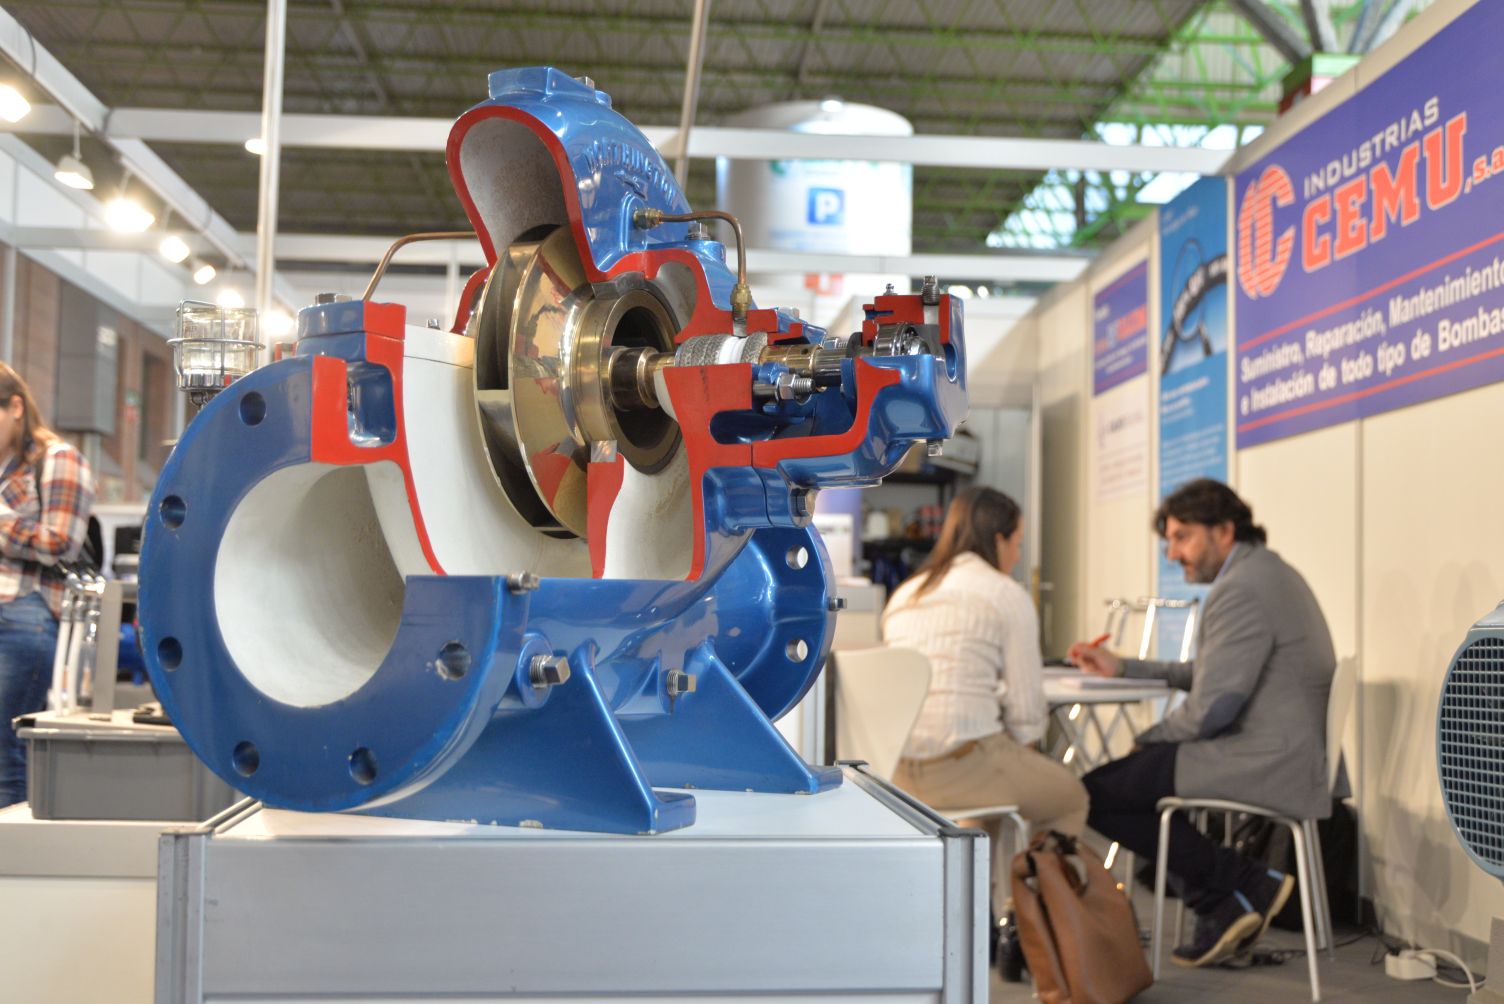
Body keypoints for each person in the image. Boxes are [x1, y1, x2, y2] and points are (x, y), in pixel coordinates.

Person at [1071, 478, 1334, 968]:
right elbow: (1211, 674)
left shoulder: (1242, 589)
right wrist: (1125, 666)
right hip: (1280, 751)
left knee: (1095, 793)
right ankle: (1229, 900)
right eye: (1169, 540)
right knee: (1128, 782)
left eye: (1182, 537)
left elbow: (1213, 708)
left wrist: (1147, 740)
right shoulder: (1265, 574)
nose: (1173, 553)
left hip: (1266, 759)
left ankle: (1238, 889)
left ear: (1224, 531)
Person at [884, 486, 1089, 911]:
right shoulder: (1004, 594)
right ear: (998, 539)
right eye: (1018, 542)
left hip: (896, 772)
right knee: (1069, 797)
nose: (1018, 554)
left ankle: (978, 912)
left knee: (990, 792)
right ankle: (1029, 920)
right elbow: (1027, 713)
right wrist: (1023, 748)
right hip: (962, 762)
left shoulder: (906, 594)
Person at [0, 363, 94, 808]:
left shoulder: (58, 460)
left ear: (15, 407)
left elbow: (61, 542)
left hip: (23, 615)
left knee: (6, 755)